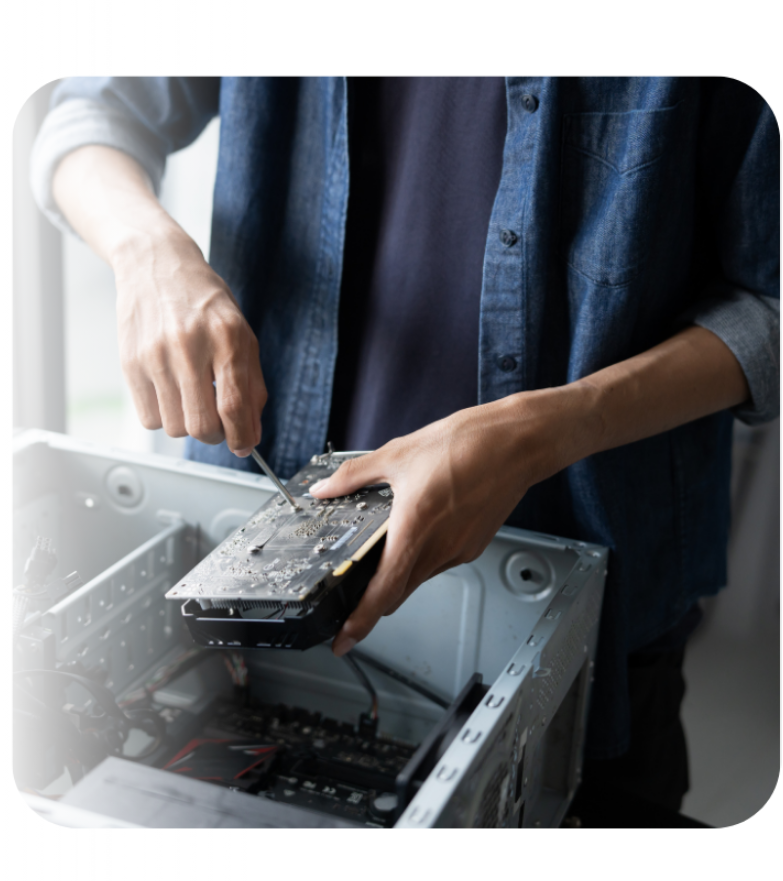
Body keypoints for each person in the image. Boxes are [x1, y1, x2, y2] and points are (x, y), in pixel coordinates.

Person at [31, 77, 779, 812]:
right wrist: (148, 252)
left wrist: (547, 428)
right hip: (258, 587)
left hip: (588, 588)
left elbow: (767, 308)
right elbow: (86, 115)